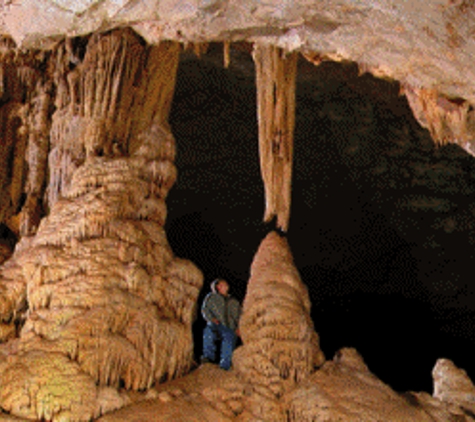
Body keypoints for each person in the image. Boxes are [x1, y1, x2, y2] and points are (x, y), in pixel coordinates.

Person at [201, 278, 241, 370]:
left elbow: (239, 316)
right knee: (208, 331)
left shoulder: (234, 302)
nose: (224, 286)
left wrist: (239, 327)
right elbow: (205, 310)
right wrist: (211, 318)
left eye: (225, 284)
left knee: (229, 337)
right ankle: (208, 357)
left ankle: (225, 365)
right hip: (216, 324)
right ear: (217, 287)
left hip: (229, 327)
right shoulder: (211, 298)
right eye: (221, 285)